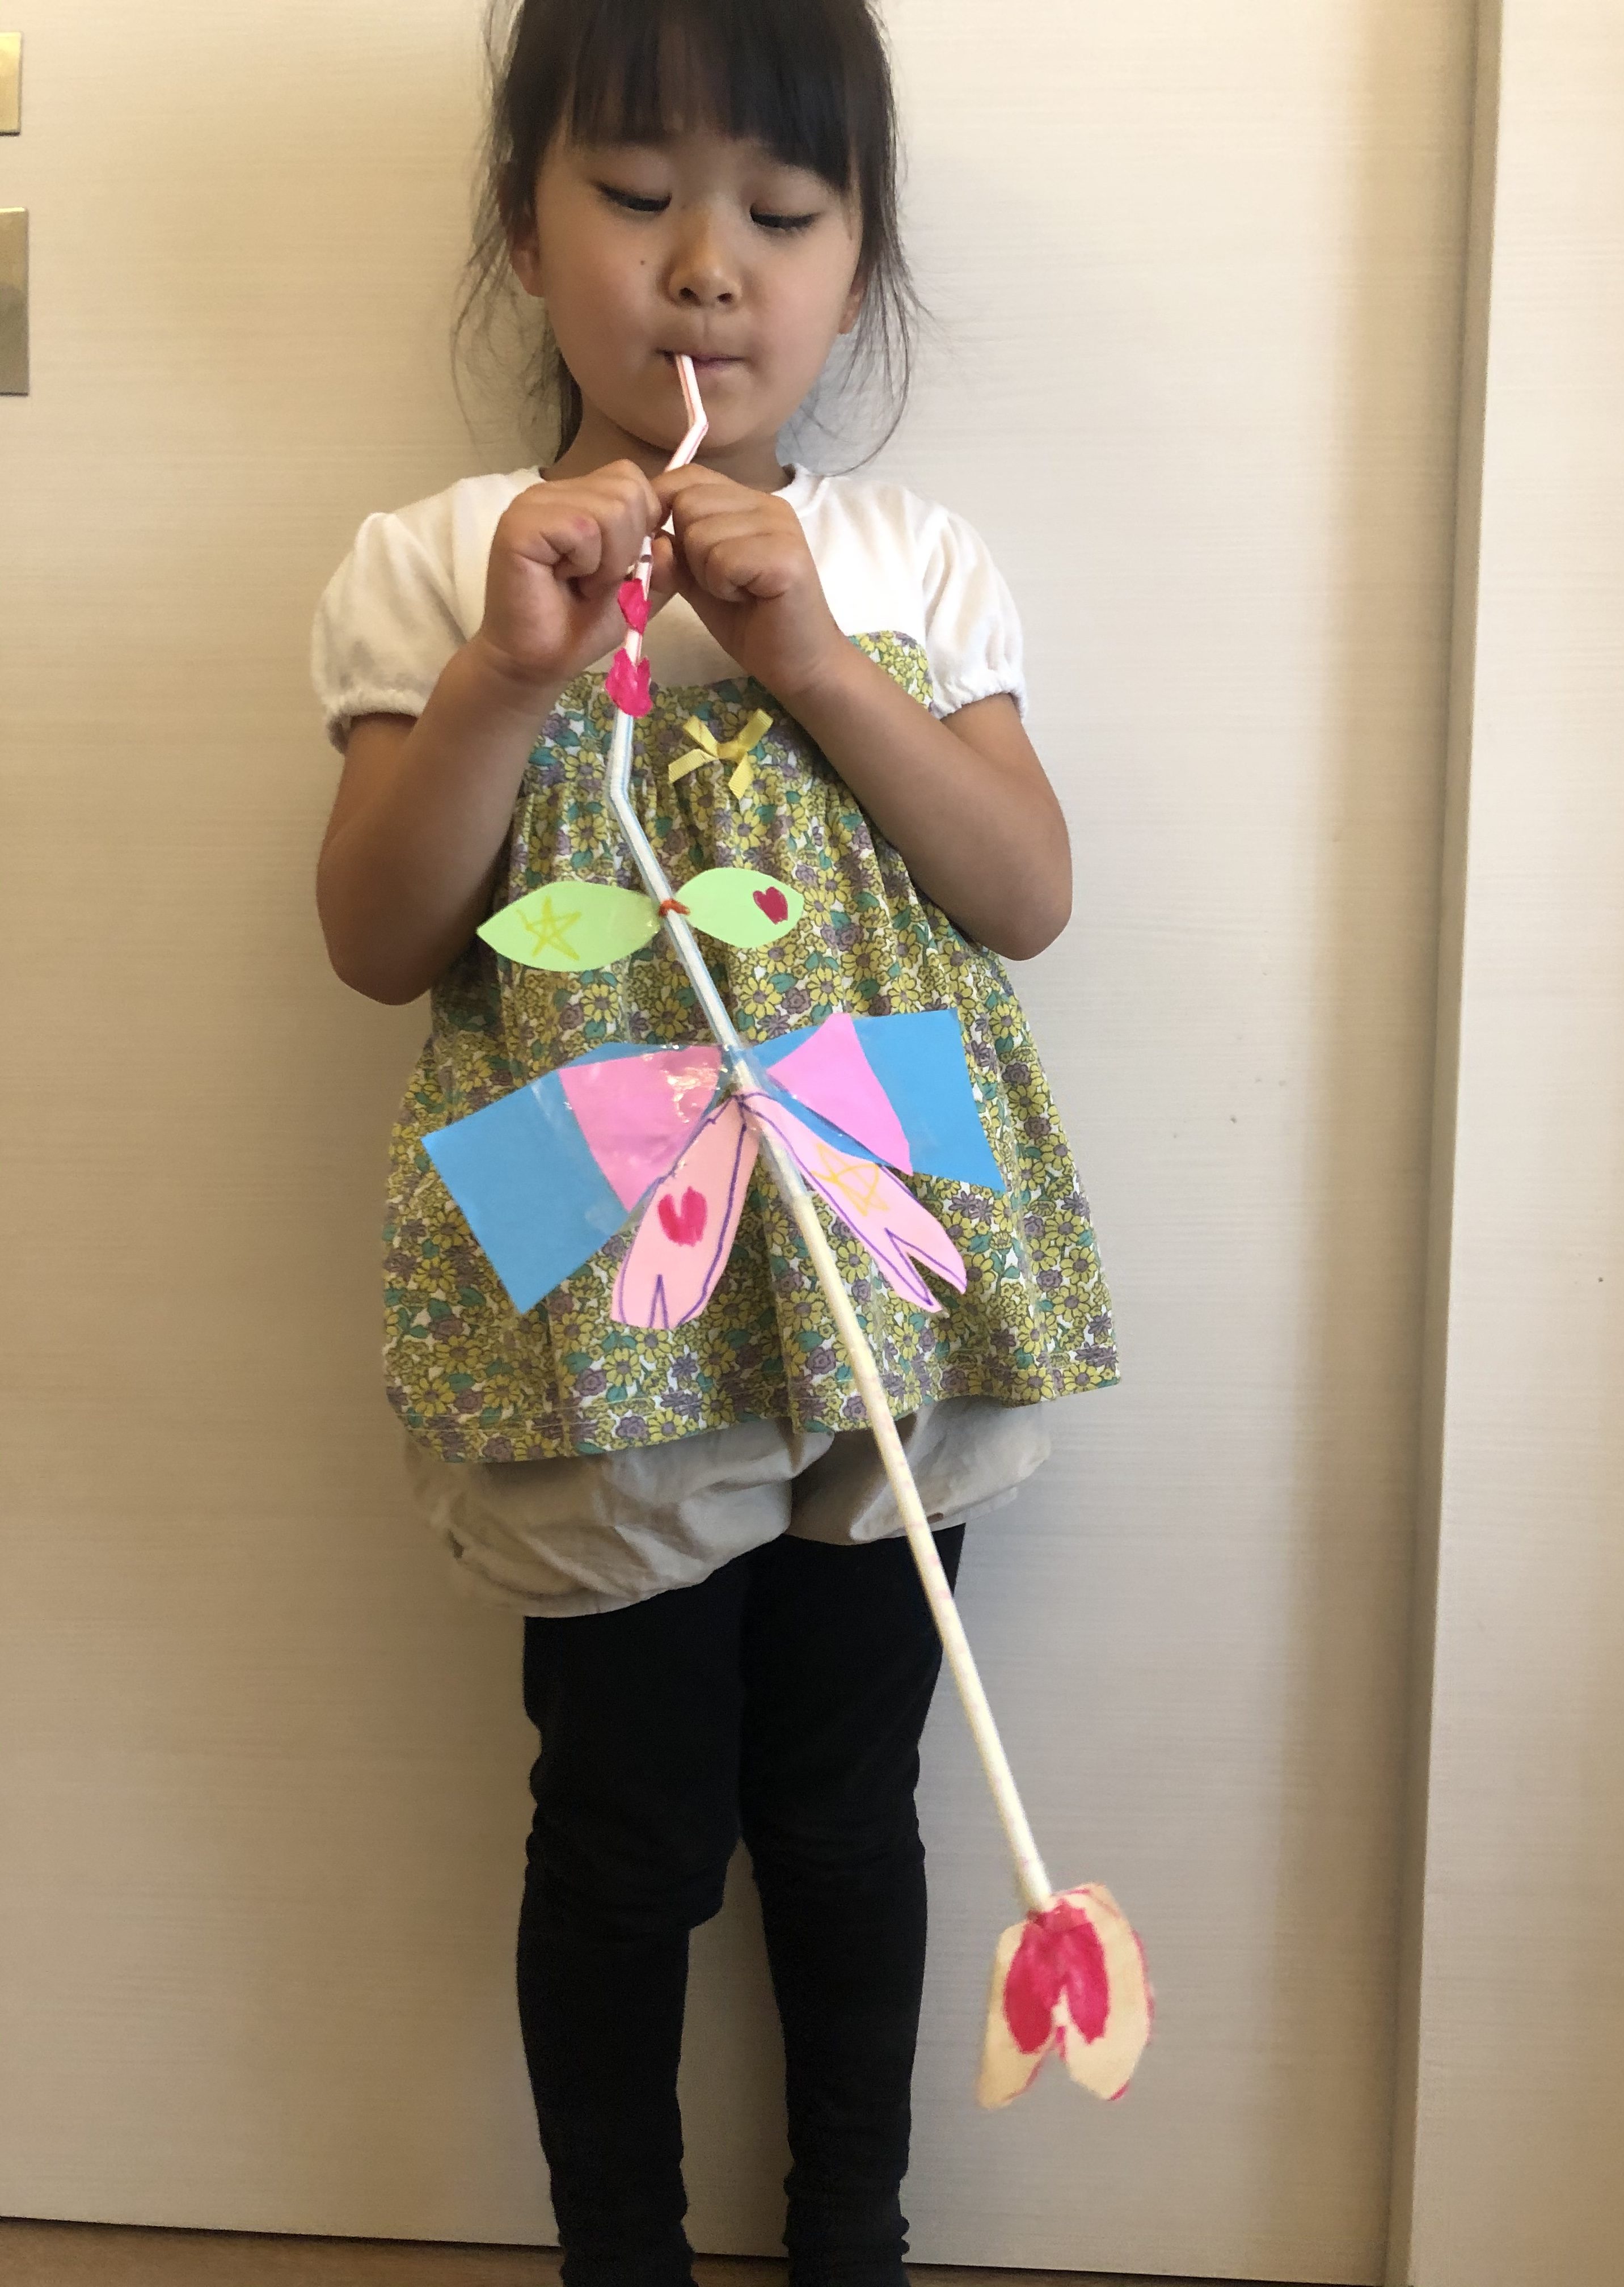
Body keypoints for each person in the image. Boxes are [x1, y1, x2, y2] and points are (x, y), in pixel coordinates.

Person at [310, 3, 1116, 2281]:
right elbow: (379, 938)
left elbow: (1024, 895)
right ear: (522, 229)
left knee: (852, 1807)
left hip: (884, 1258)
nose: (705, 266)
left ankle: (853, 2236)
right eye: (639, 196)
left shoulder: (911, 560)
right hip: (599, 1286)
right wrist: (510, 671)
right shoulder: (437, 560)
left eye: (780, 211)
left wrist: (822, 659)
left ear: (858, 262)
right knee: (626, 1830)